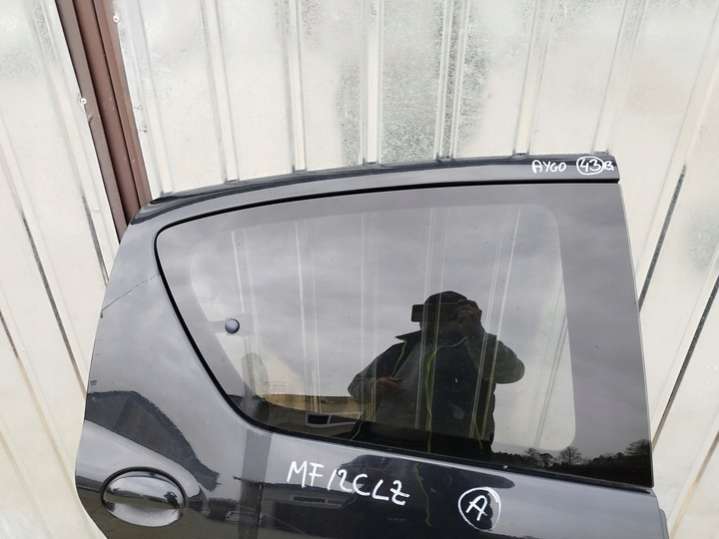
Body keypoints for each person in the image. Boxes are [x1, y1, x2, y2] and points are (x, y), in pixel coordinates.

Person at [348, 291, 524, 452]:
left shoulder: (479, 350)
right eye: (428, 313)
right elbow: (355, 386)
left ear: (466, 316)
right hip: (379, 447)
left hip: (452, 456)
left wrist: (477, 334)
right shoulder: (399, 351)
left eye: (446, 313)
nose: (434, 319)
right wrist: (374, 387)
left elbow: (513, 373)